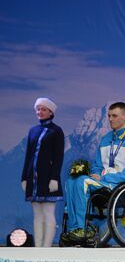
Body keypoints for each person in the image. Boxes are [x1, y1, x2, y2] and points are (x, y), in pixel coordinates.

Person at [61, 102, 125, 244]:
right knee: (71, 181)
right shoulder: (106, 139)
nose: (110, 119)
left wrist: (104, 176)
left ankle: (81, 229)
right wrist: (95, 174)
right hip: (101, 182)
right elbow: (97, 166)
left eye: (114, 116)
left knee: (83, 182)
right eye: (109, 116)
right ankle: (73, 229)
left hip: (118, 185)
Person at [21, 98, 65, 247]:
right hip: (33, 178)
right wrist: (24, 178)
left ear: (51, 112)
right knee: (37, 215)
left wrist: (54, 178)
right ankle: (38, 247)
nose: (40, 112)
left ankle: (46, 248)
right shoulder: (32, 130)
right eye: (38, 109)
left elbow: (59, 156)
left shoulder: (57, 131)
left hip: (48, 178)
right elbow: (28, 155)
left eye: (43, 109)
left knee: (48, 213)